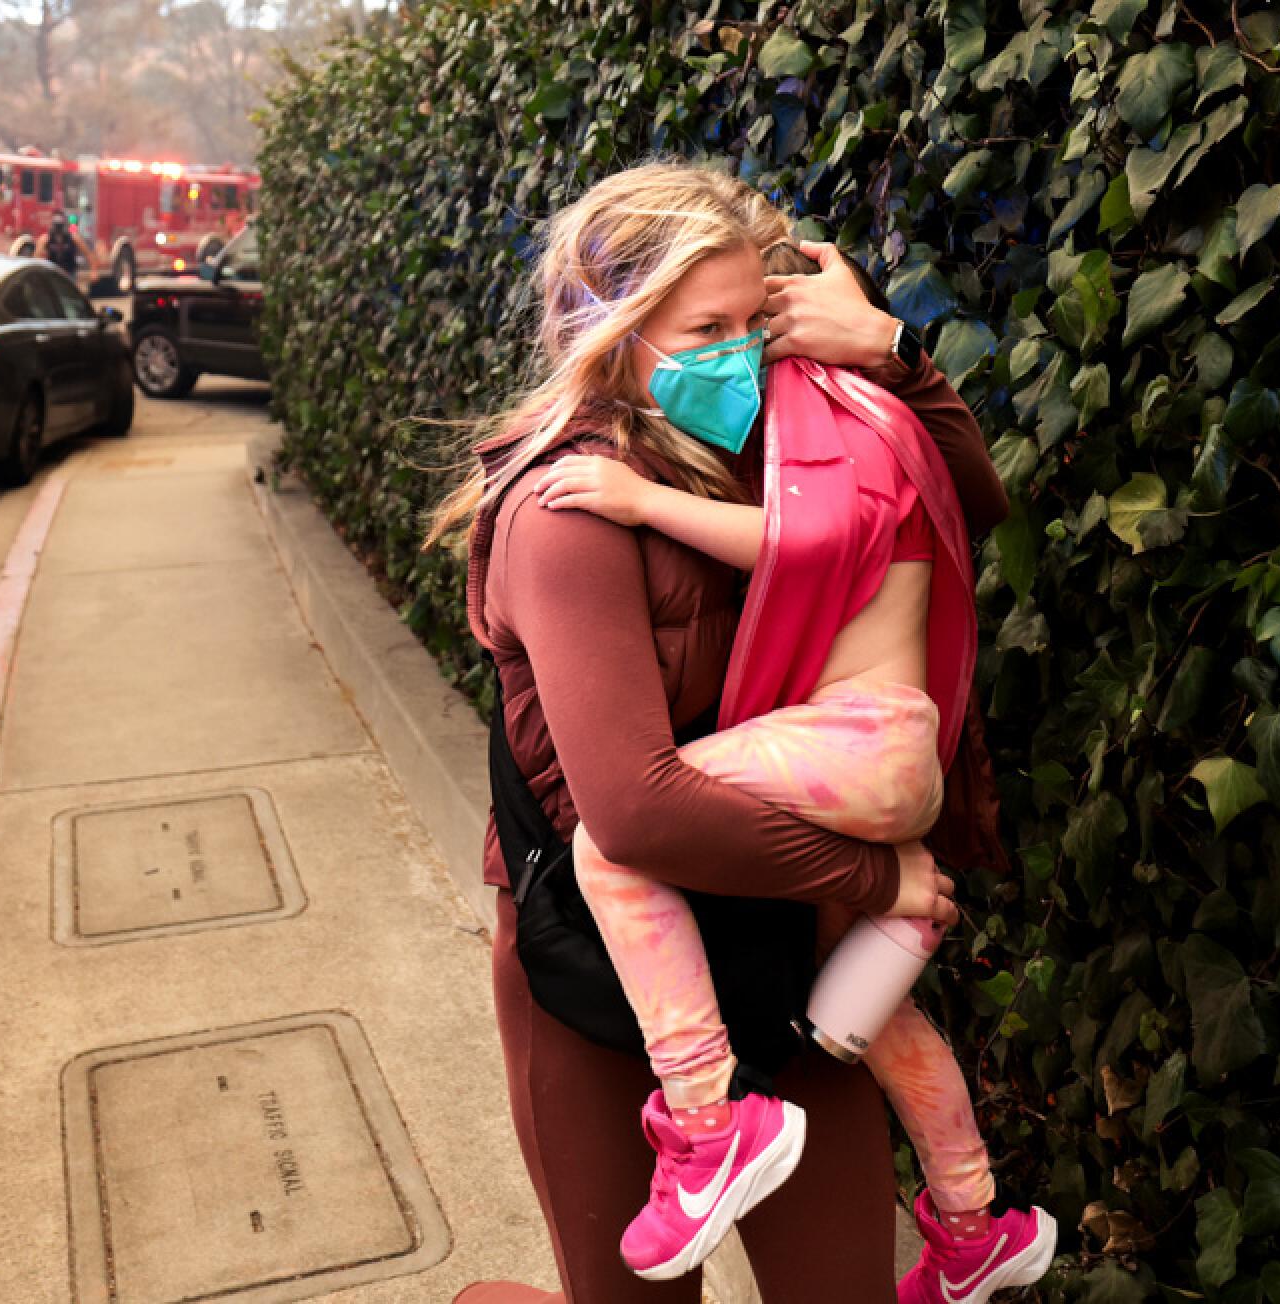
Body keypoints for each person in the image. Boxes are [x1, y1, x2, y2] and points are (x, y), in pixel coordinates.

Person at [425, 159, 1013, 1303]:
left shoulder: (779, 438)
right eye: (706, 327)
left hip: (771, 944)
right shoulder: (568, 506)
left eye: (756, 320)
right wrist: (876, 876)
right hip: (603, 984)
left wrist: (886, 348)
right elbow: (631, 807)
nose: (739, 351)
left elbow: (959, 511)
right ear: (609, 332)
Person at [42, 209, 81, 278]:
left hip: (69, 274)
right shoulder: (46, 239)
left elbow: (89, 255)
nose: (58, 228)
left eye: (60, 225)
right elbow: (37, 258)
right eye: (56, 224)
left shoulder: (73, 237)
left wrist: (94, 272)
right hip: (52, 274)